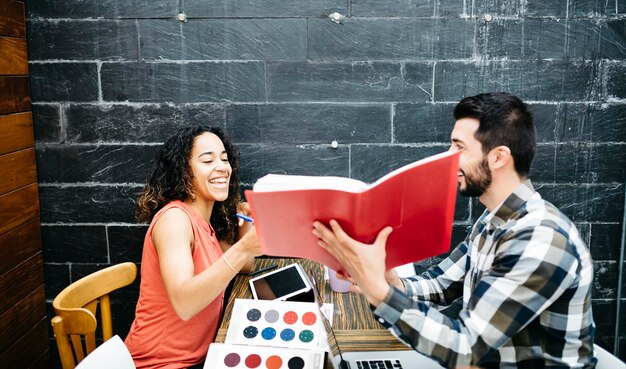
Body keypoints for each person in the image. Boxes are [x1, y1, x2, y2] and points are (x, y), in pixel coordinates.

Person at [312, 93, 596, 368]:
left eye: (458, 147)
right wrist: (389, 282)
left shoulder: (539, 239)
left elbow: (466, 350)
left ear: (498, 157)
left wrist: (377, 290)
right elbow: (441, 285)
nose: (447, 158)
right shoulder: (494, 221)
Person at [125, 125, 262, 369]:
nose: (222, 167)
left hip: (199, 358)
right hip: (160, 363)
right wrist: (244, 248)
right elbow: (185, 304)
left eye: (224, 158)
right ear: (183, 172)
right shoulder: (174, 220)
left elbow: (245, 266)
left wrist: (244, 224)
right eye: (207, 160)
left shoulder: (207, 222)